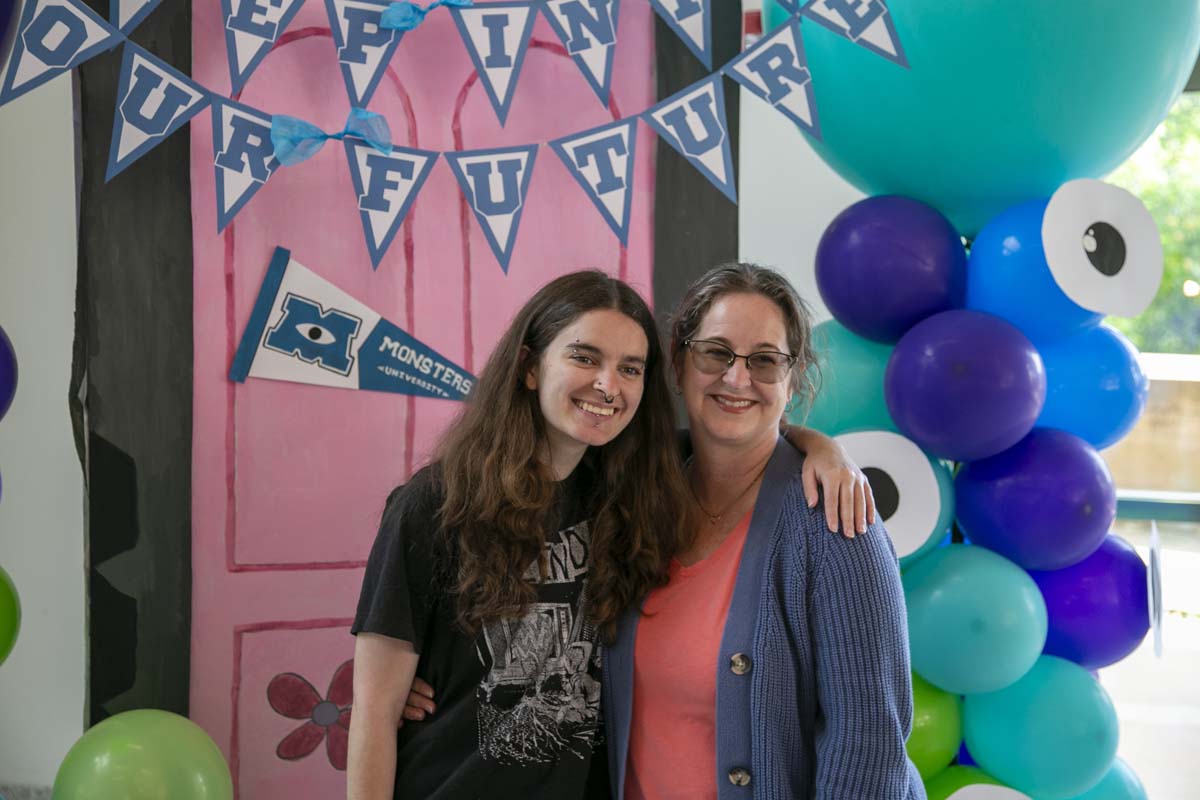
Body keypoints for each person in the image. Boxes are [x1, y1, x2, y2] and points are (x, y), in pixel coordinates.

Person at [348, 270, 873, 800]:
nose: (607, 385)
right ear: (530, 367)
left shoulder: (627, 491)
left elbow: (743, 426)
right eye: (583, 357)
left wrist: (822, 447)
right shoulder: (435, 504)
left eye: (629, 368)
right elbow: (374, 714)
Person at [605, 263, 925, 800]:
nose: (736, 378)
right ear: (680, 362)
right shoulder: (636, 497)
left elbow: (868, 753)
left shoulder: (838, 526)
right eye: (716, 353)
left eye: (765, 361)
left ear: (794, 379)